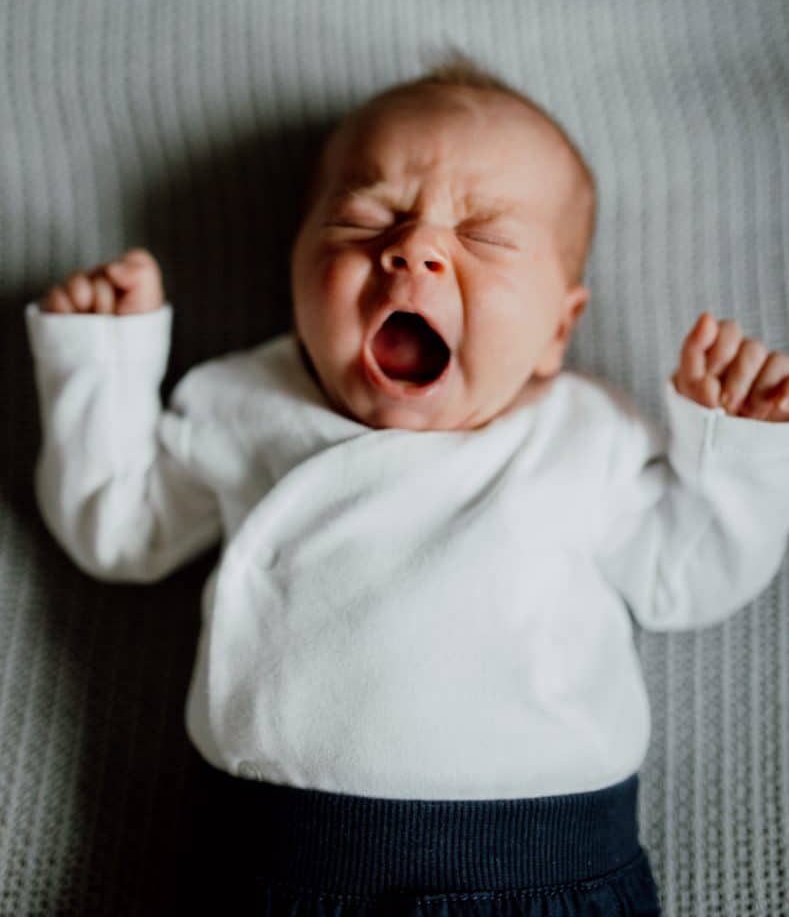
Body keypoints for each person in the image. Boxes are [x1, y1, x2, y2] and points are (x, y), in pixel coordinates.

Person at [24, 50, 789, 915]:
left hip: (544, 873)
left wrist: (737, 447)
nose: (413, 248)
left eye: (486, 235)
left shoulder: (586, 434)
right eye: (365, 220)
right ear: (294, 272)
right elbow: (119, 531)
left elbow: (687, 576)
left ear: (556, 330)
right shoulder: (243, 403)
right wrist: (102, 368)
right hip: (271, 868)